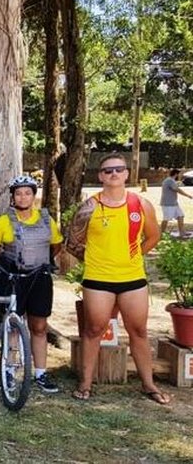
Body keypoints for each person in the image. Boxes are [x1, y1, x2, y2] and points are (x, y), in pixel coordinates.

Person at [69, 153, 168, 404]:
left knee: (139, 331)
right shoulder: (90, 207)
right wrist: (93, 261)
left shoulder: (140, 204)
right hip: (98, 279)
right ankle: (86, 383)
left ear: (126, 173)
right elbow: (72, 242)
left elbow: (154, 236)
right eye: (107, 170)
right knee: (93, 330)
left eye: (118, 170)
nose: (113, 174)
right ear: (100, 176)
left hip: (132, 278)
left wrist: (134, 255)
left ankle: (149, 385)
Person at [0, 175, 63, 394]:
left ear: (33, 196)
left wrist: (41, 262)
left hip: (39, 278)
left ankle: (40, 372)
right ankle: (8, 370)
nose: (23, 197)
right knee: (13, 325)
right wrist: (6, 264)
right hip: (13, 279)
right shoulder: (3, 221)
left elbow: (56, 245)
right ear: (12, 197)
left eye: (27, 193)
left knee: (39, 326)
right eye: (18, 193)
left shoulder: (47, 220)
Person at [159, 169, 192, 237]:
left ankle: (182, 233)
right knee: (166, 219)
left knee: (180, 216)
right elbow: (177, 189)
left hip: (174, 203)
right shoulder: (170, 180)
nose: (179, 176)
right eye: (179, 174)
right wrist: (188, 195)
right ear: (176, 174)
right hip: (168, 204)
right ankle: (160, 234)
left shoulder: (171, 180)